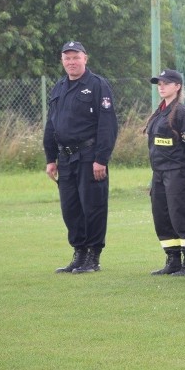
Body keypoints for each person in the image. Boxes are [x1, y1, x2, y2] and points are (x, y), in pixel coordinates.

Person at [44, 41, 118, 274]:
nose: (71, 62)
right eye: (67, 58)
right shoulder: (59, 87)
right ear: (62, 61)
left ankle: (93, 256)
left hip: (89, 156)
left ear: (85, 58)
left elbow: (108, 125)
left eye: (76, 57)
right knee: (71, 208)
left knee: (93, 206)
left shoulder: (97, 85)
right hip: (65, 158)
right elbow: (51, 124)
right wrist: (50, 158)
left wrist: (101, 159)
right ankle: (79, 253)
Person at [145, 69, 185, 276]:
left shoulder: (182, 113)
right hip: (158, 172)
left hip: (177, 171)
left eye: (166, 83)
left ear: (177, 86)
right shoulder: (160, 111)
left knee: (179, 217)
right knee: (161, 217)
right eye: (159, 83)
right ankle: (173, 260)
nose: (161, 86)